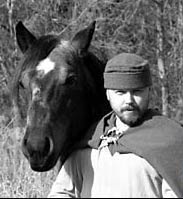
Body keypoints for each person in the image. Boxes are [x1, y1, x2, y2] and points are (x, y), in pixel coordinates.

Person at [48, 53, 183, 198]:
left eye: (137, 91)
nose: (129, 100)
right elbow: (62, 192)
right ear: (108, 94)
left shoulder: (170, 141)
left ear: (149, 91)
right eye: (121, 92)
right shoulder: (90, 140)